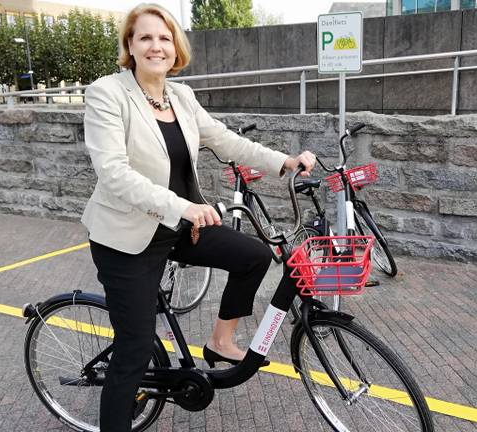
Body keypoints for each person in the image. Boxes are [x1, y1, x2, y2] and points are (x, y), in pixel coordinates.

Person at [80, 3, 315, 431]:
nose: (156, 46)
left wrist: (285, 161)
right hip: (128, 238)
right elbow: (114, 173)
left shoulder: (181, 96)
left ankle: (220, 340)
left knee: (253, 256)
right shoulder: (107, 94)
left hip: (179, 228)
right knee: (133, 350)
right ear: (130, 46)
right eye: (145, 37)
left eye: (165, 37)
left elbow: (226, 141)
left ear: (176, 48)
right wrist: (183, 207)